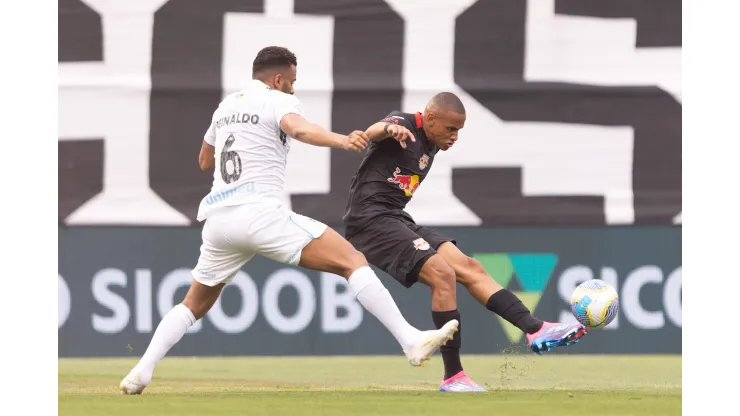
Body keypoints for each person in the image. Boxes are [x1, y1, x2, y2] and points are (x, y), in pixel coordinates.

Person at [118, 47, 459, 395]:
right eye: (292, 81)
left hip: (218, 221)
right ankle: (409, 340)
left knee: (194, 303)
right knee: (352, 261)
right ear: (278, 79)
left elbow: (205, 160)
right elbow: (300, 130)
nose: (293, 89)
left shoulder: (226, 106)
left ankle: (140, 372)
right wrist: (343, 140)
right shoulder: (277, 100)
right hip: (259, 213)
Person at [342, 92, 588, 393]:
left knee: (468, 266)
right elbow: (372, 132)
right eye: (451, 129)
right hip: (369, 221)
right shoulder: (403, 123)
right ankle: (453, 377)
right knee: (442, 274)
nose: (455, 136)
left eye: (459, 130)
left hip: (395, 217)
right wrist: (388, 129)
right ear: (430, 118)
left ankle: (536, 329)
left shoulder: (431, 143)